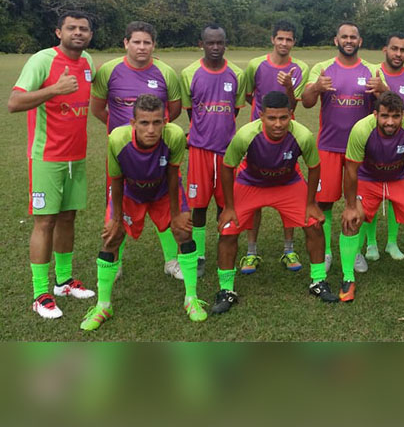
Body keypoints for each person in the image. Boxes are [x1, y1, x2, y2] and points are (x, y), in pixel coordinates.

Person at [80, 95, 205, 331]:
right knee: (111, 238)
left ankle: (191, 299)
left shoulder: (175, 136)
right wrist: (116, 219)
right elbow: (116, 180)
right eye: (144, 123)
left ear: (165, 121)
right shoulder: (117, 139)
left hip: (162, 190)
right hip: (130, 192)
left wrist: (177, 213)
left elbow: (172, 173)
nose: (151, 129)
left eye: (157, 122)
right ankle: (103, 304)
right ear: (133, 123)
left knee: (183, 233)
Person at [211, 91, 337, 313]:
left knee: (314, 224)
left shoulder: (303, 135)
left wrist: (310, 203)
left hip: (287, 184)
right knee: (228, 231)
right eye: (272, 118)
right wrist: (229, 207)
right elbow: (227, 167)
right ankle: (226, 290)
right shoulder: (246, 135)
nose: (278, 124)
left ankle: (318, 281)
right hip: (251, 183)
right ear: (261, 116)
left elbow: (314, 166)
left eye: (283, 118)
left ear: (290, 115)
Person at [8, 11, 97, 319]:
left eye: (83, 29)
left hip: (77, 156)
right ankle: (40, 293)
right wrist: (54, 90)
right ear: (58, 32)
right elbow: (14, 103)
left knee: (68, 218)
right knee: (44, 222)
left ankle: (63, 281)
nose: (78, 33)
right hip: (47, 157)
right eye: (71, 28)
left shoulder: (88, 62)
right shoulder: (42, 60)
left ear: (90, 35)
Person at [90, 21, 184, 279]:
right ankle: (115, 260)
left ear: (154, 45)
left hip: (158, 152)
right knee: (116, 203)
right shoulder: (109, 71)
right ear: (126, 43)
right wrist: (125, 136)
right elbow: (98, 109)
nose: (142, 47)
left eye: (147, 42)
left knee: (163, 200)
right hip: (122, 154)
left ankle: (171, 261)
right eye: (136, 42)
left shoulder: (165, 73)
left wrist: (151, 133)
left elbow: (173, 110)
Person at [301, 22, 386, 272]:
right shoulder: (322, 68)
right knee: (323, 203)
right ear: (336, 40)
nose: (349, 40)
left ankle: (355, 251)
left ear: (360, 41)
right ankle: (326, 252)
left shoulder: (371, 69)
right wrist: (317, 87)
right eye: (344, 37)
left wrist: (382, 89)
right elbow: (305, 103)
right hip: (328, 147)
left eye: (353, 37)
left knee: (357, 201)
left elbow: (387, 102)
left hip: (360, 150)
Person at [339, 92, 404, 301]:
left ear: (403, 115)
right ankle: (348, 279)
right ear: (375, 114)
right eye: (384, 116)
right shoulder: (361, 130)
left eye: (395, 116)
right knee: (351, 221)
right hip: (368, 177)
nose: (390, 122)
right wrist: (350, 205)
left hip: (399, 177)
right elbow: (350, 170)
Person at [241, 20, 310, 274]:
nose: (284, 43)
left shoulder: (300, 67)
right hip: (257, 138)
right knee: (253, 193)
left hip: (286, 137)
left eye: (289, 39)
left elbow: (294, 106)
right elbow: (250, 95)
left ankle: (289, 249)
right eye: (280, 38)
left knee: (287, 190)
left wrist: (289, 87)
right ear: (272, 39)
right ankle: (251, 252)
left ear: (294, 42)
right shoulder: (255, 65)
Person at [180, 24, 246, 278]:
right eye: (210, 43)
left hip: (228, 151)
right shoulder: (189, 73)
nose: (215, 47)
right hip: (199, 151)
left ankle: (224, 247)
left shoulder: (236, 73)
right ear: (201, 44)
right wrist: (201, 132)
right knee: (198, 205)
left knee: (226, 203)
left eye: (220, 43)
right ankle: (198, 255)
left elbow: (235, 110)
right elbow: (190, 111)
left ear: (225, 43)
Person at [361, 33, 404, 263]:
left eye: (403, 50)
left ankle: (392, 242)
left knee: (395, 197)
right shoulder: (370, 74)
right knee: (372, 200)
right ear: (384, 50)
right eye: (394, 49)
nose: (398, 54)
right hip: (373, 149)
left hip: (400, 151)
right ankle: (370, 244)